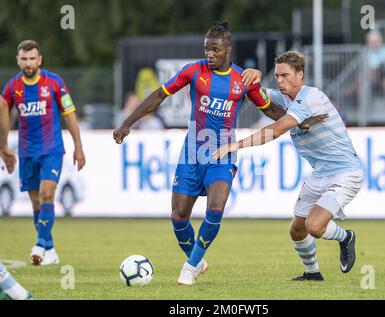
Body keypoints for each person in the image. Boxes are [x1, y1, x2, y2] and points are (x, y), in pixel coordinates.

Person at [114, 21, 293, 285]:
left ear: (228, 50)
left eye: (215, 51)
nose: (209, 55)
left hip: (223, 152)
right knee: (178, 216)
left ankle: (190, 266)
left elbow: (267, 109)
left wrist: (297, 120)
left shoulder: (243, 80)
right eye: (207, 50)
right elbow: (158, 96)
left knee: (216, 207)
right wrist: (128, 122)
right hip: (193, 151)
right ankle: (197, 259)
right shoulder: (193, 71)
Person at [214, 51, 364, 281]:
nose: (280, 81)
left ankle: (346, 237)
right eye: (277, 76)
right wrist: (253, 74)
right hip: (320, 173)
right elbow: (252, 91)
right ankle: (312, 274)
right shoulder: (282, 97)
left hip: (345, 173)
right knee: (297, 229)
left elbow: (276, 130)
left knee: (314, 226)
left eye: (285, 75)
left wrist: (236, 145)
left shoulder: (311, 97)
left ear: (300, 74)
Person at [0, 40, 86, 266]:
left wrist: (78, 146)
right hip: (27, 152)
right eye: (24, 59)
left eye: (32, 59)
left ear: (40, 60)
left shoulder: (54, 82)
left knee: (47, 194)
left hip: (52, 150)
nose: (28, 63)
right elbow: (3, 115)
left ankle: (39, 243)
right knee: (36, 203)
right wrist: (4, 148)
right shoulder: (12, 88)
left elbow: (69, 114)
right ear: (18, 60)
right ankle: (50, 249)